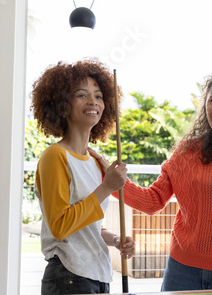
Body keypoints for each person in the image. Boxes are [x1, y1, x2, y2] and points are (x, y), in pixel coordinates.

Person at [91, 57, 212, 291]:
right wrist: (111, 180)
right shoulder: (187, 152)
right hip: (182, 270)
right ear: (204, 103)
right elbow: (153, 200)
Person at [31, 59, 135, 295]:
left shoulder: (95, 162)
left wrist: (115, 239)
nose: (93, 102)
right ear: (62, 105)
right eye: (82, 95)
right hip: (69, 277)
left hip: (97, 275)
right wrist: (106, 188)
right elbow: (60, 226)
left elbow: (86, 225)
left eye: (99, 96)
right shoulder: (54, 156)